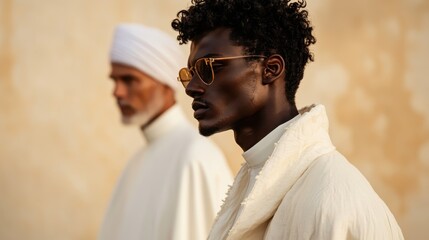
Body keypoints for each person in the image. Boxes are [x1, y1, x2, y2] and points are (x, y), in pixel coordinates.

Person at [172, 0, 404, 239]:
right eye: (190, 73)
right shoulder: (256, 176)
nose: (191, 88)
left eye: (209, 67)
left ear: (270, 69)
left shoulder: (333, 200)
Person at [98, 23, 233, 240]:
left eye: (129, 80)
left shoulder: (194, 157)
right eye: (115, 80)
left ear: (165, 82)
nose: (117, 92)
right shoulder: (136, 163)